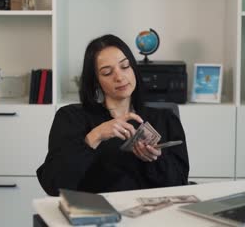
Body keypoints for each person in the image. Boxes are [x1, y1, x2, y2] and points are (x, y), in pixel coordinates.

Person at [36, 34, 189, 196]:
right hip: (97, 217)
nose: (119, 77)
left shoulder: (165, 119)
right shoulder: (71, 118)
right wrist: (95, 136)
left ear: (134, 69)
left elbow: (180, 183)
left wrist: (155, 161)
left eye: (125, 66)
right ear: (96, 81)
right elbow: (54, 185)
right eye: (107, 72)